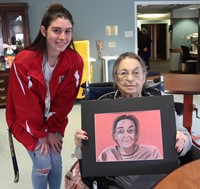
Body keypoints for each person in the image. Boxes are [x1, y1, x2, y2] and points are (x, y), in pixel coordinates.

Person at [74, 52, 192, 189]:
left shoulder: (158, 101)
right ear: (115, 78)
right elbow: (87, 155)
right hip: (116, 181)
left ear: (144, 77)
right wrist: (80, 146)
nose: (130, 78)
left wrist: (182, 141)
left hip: (159, 178)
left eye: (136, 73)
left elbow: (186, 138)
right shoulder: (102, 105)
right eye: (123, 73)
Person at [6, 3, 83, 189]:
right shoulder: (23, 61)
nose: (63, 37)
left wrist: (53, 129)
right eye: (56, 30)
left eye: (68, 31)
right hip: (25, 122)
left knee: (56, 161)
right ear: (43, 30)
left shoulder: (74, 61)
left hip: (54, 121)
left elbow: (65, 101)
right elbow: (25, 104)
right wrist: (41, 134)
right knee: (43, 162)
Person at [97, 114, 162, 162]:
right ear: (115, 136)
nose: (126, 135)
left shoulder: (151, 152)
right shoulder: (106, 154)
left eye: (130, 131)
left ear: (136, 134)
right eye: (120, 131)